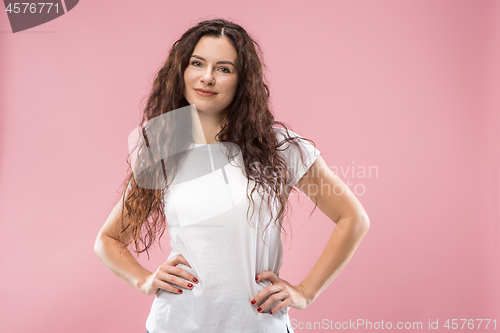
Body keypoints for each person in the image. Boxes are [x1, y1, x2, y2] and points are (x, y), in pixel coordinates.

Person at [94, 18, 370, 333]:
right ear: (181, 71)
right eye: (197, 63)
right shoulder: (163, 146)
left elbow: (353, 218)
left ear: (242, 81)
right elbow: (108, 239)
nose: (207, 77)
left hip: (258, 325)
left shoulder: (278, 147)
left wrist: (306, 291)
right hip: (175, 324)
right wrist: (144, 280)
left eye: (224, 69)